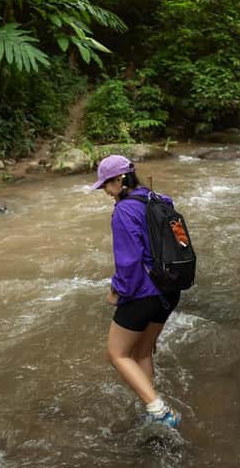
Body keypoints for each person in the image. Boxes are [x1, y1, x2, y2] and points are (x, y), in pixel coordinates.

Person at [92, 154, 182, 428]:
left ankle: (159, 411)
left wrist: (117, 291)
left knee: (117, 354)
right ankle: (152, 406)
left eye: (107, 184)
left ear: (120, 179)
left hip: (143, 292)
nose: (106, 191)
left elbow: (129, 261)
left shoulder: (123, 211)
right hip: (170, 289)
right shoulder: (161, 200)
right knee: (142, 353)